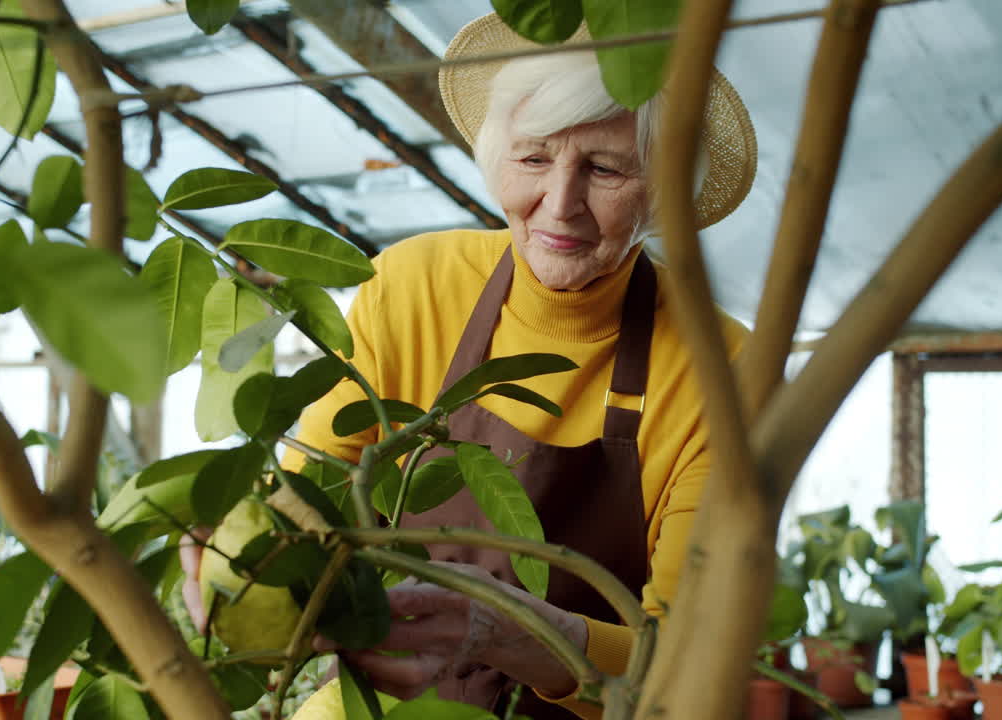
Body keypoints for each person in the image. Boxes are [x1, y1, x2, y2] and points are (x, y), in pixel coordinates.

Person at [182, 12, 756, 720]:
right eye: (534, 159)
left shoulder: (722, 365)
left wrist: (520, 635)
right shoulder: (411, 284)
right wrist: (246, 552)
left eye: (605, 168)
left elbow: (692, 654)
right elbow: (314, 495)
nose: (560, 204)